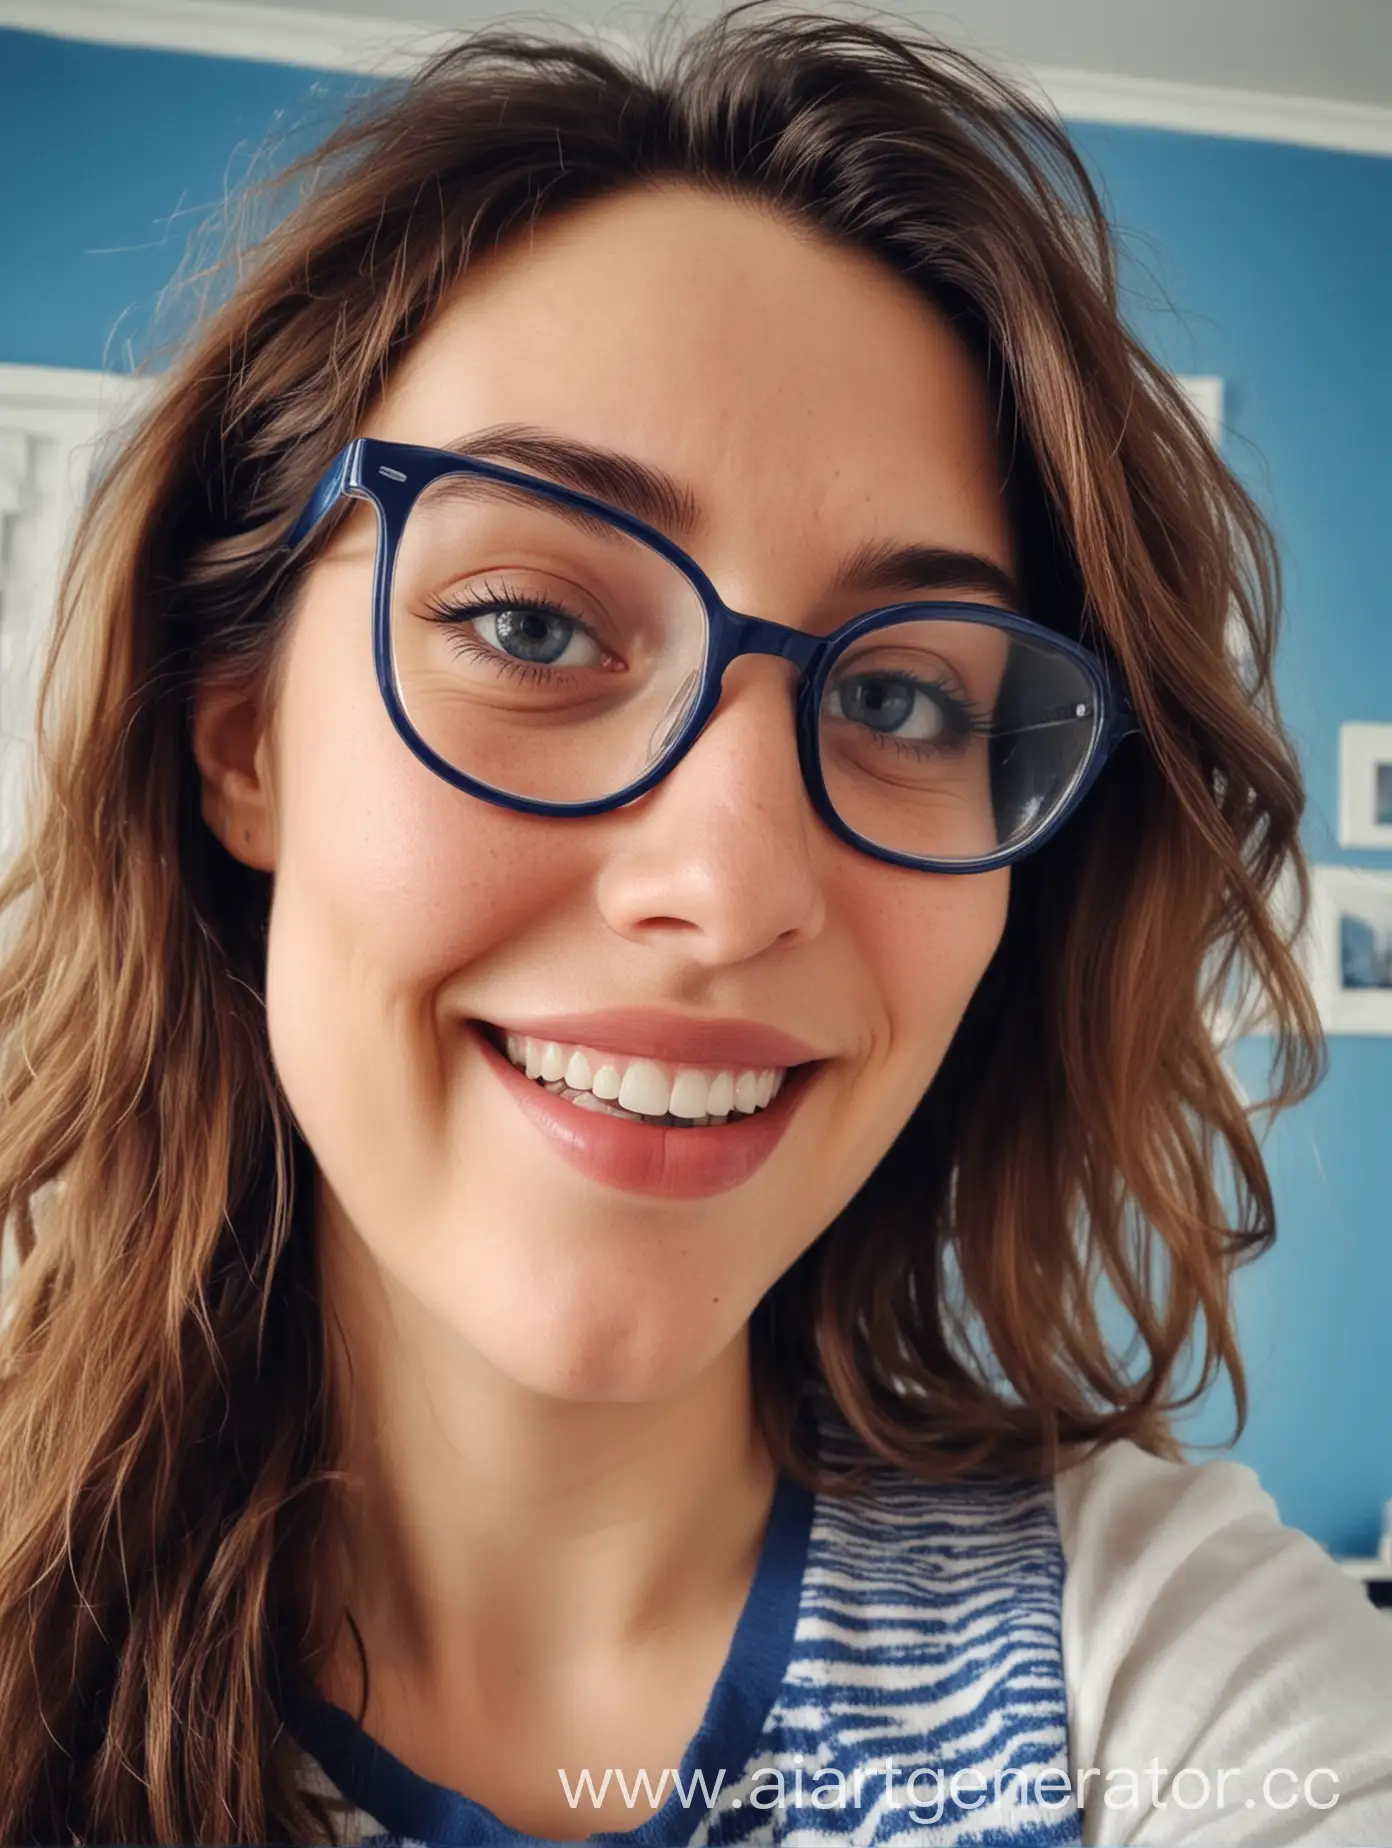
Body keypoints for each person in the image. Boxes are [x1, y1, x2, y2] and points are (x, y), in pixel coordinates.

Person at [0, 6, 1389, 1843]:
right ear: (241, 735)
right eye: (530, 625)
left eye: (902, 700)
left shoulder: (1161, 1666)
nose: (735, 891)